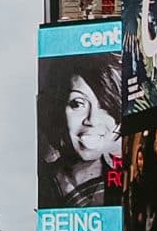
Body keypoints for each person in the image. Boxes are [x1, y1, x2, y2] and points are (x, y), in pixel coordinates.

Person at [42, 57, 125, 210]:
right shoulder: (45, 182)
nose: (92, 119)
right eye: (78, 104)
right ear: (58, 109)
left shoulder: (127, 180)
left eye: (105, 106)